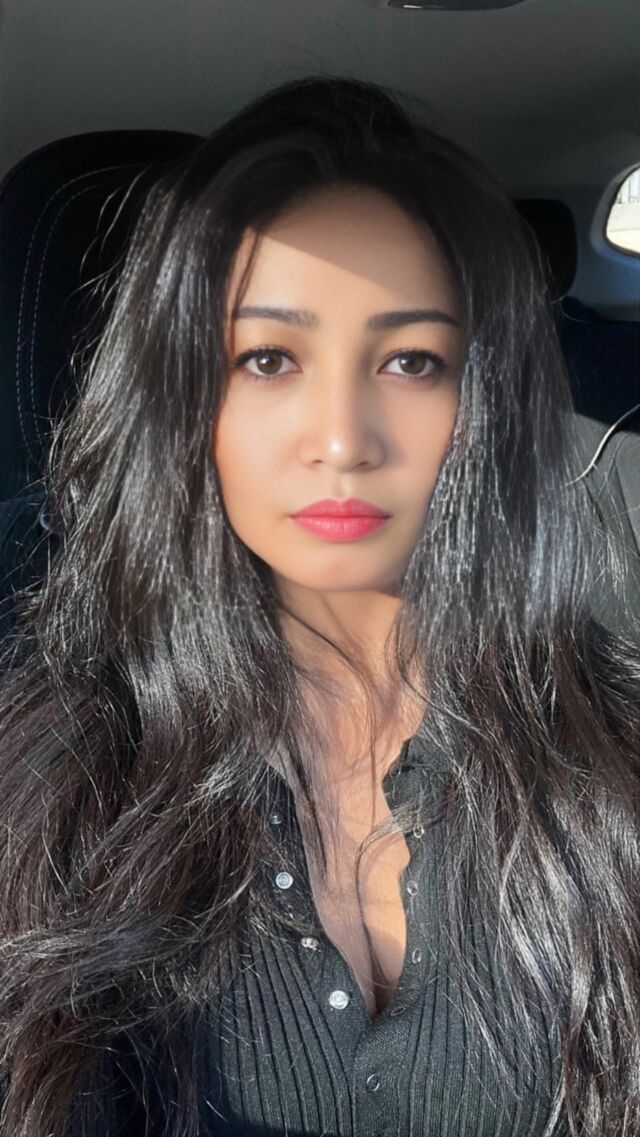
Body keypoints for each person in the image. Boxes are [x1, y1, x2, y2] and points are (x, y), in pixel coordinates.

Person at [0, 75, 638, 1137]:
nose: (342, 437)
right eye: (268, 359)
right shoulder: (61, 773)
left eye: (410, 360)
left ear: (484, 398)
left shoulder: (607, 750)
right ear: (183, 397)